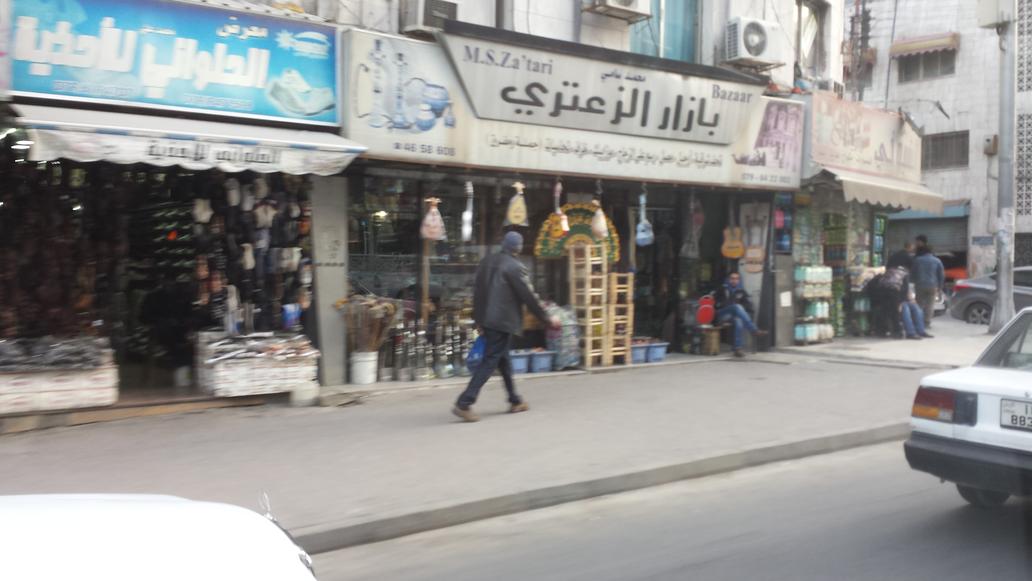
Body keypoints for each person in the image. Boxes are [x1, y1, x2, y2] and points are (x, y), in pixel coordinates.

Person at [453, 232, 560, 422]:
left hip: (488, 319)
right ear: (518, 248)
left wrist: (478, 319)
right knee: (491, 361)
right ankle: (464, 402)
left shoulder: (487, 262)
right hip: (501, 322)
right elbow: (529, 296)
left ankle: (515, 400)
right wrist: (547, 318)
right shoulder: (515, 267)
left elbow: (477, 292)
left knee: (503, 360)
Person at [715, 272, 766, 358]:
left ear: (739, 280)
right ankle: (753, 329)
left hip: (734, 316)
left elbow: (748, 306)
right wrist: (724, 304)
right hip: (723, 314)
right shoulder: (722, 289)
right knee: (736, 307)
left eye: (736, 279)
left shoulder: (741, 291)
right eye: (732, 278)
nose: (734, 280)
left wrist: (741, 309)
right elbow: (714, 302)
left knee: (739, 320)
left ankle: (737, 349)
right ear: (728, 279)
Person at [865, 266, 909, 338]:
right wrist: (901, 302)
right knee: (895, 314)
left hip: (882, 294)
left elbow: (872, 285)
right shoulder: (904, 274)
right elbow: (905, 290)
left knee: (884, 312)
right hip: (894, 294)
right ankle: (897, 332)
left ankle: (883, 331)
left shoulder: (885, 273)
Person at [911, 237, 945, 328]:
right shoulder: (937, 261)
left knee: (919, 304)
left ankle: (918, 322)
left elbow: (913, 273)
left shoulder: (917, 260)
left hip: (920, 285)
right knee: (930, 305)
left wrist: (913, 282)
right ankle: (927, 322)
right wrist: (940, 287)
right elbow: (941, 275)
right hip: (932, 286)